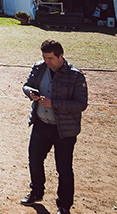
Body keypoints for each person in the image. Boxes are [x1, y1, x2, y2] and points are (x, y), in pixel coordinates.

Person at [20, 40, 88, 214]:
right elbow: (26, 85)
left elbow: (81, 104)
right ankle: (36, 193)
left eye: (50, 58)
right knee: (34, 160)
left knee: (63, 168)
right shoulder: (39, 67)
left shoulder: (75, 75)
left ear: (61, 56)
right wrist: (30, 93)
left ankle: (64, 205)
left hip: (64, 130)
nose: (46, 61)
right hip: (41, 124)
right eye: (44, 57)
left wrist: (54, 104)